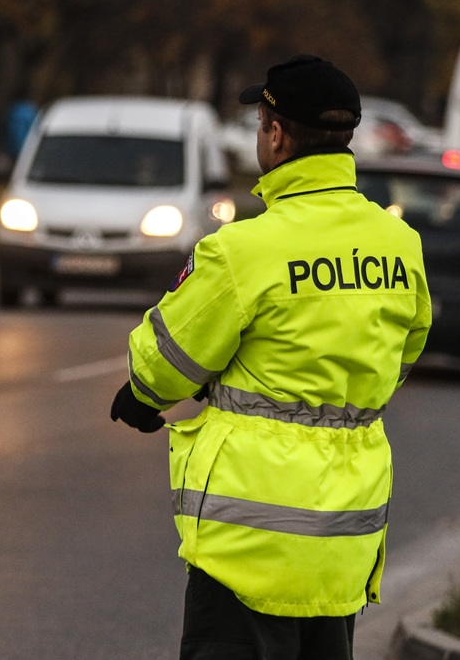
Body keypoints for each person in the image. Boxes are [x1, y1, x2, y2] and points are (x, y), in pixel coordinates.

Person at [109, 54, 432, 659]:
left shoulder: (244, 250)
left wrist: (141, 398)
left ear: (276, 134)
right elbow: (401, 354)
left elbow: (165, 362)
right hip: (344, 544)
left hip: (246, 553)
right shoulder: (399, 246)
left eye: (262, 123)